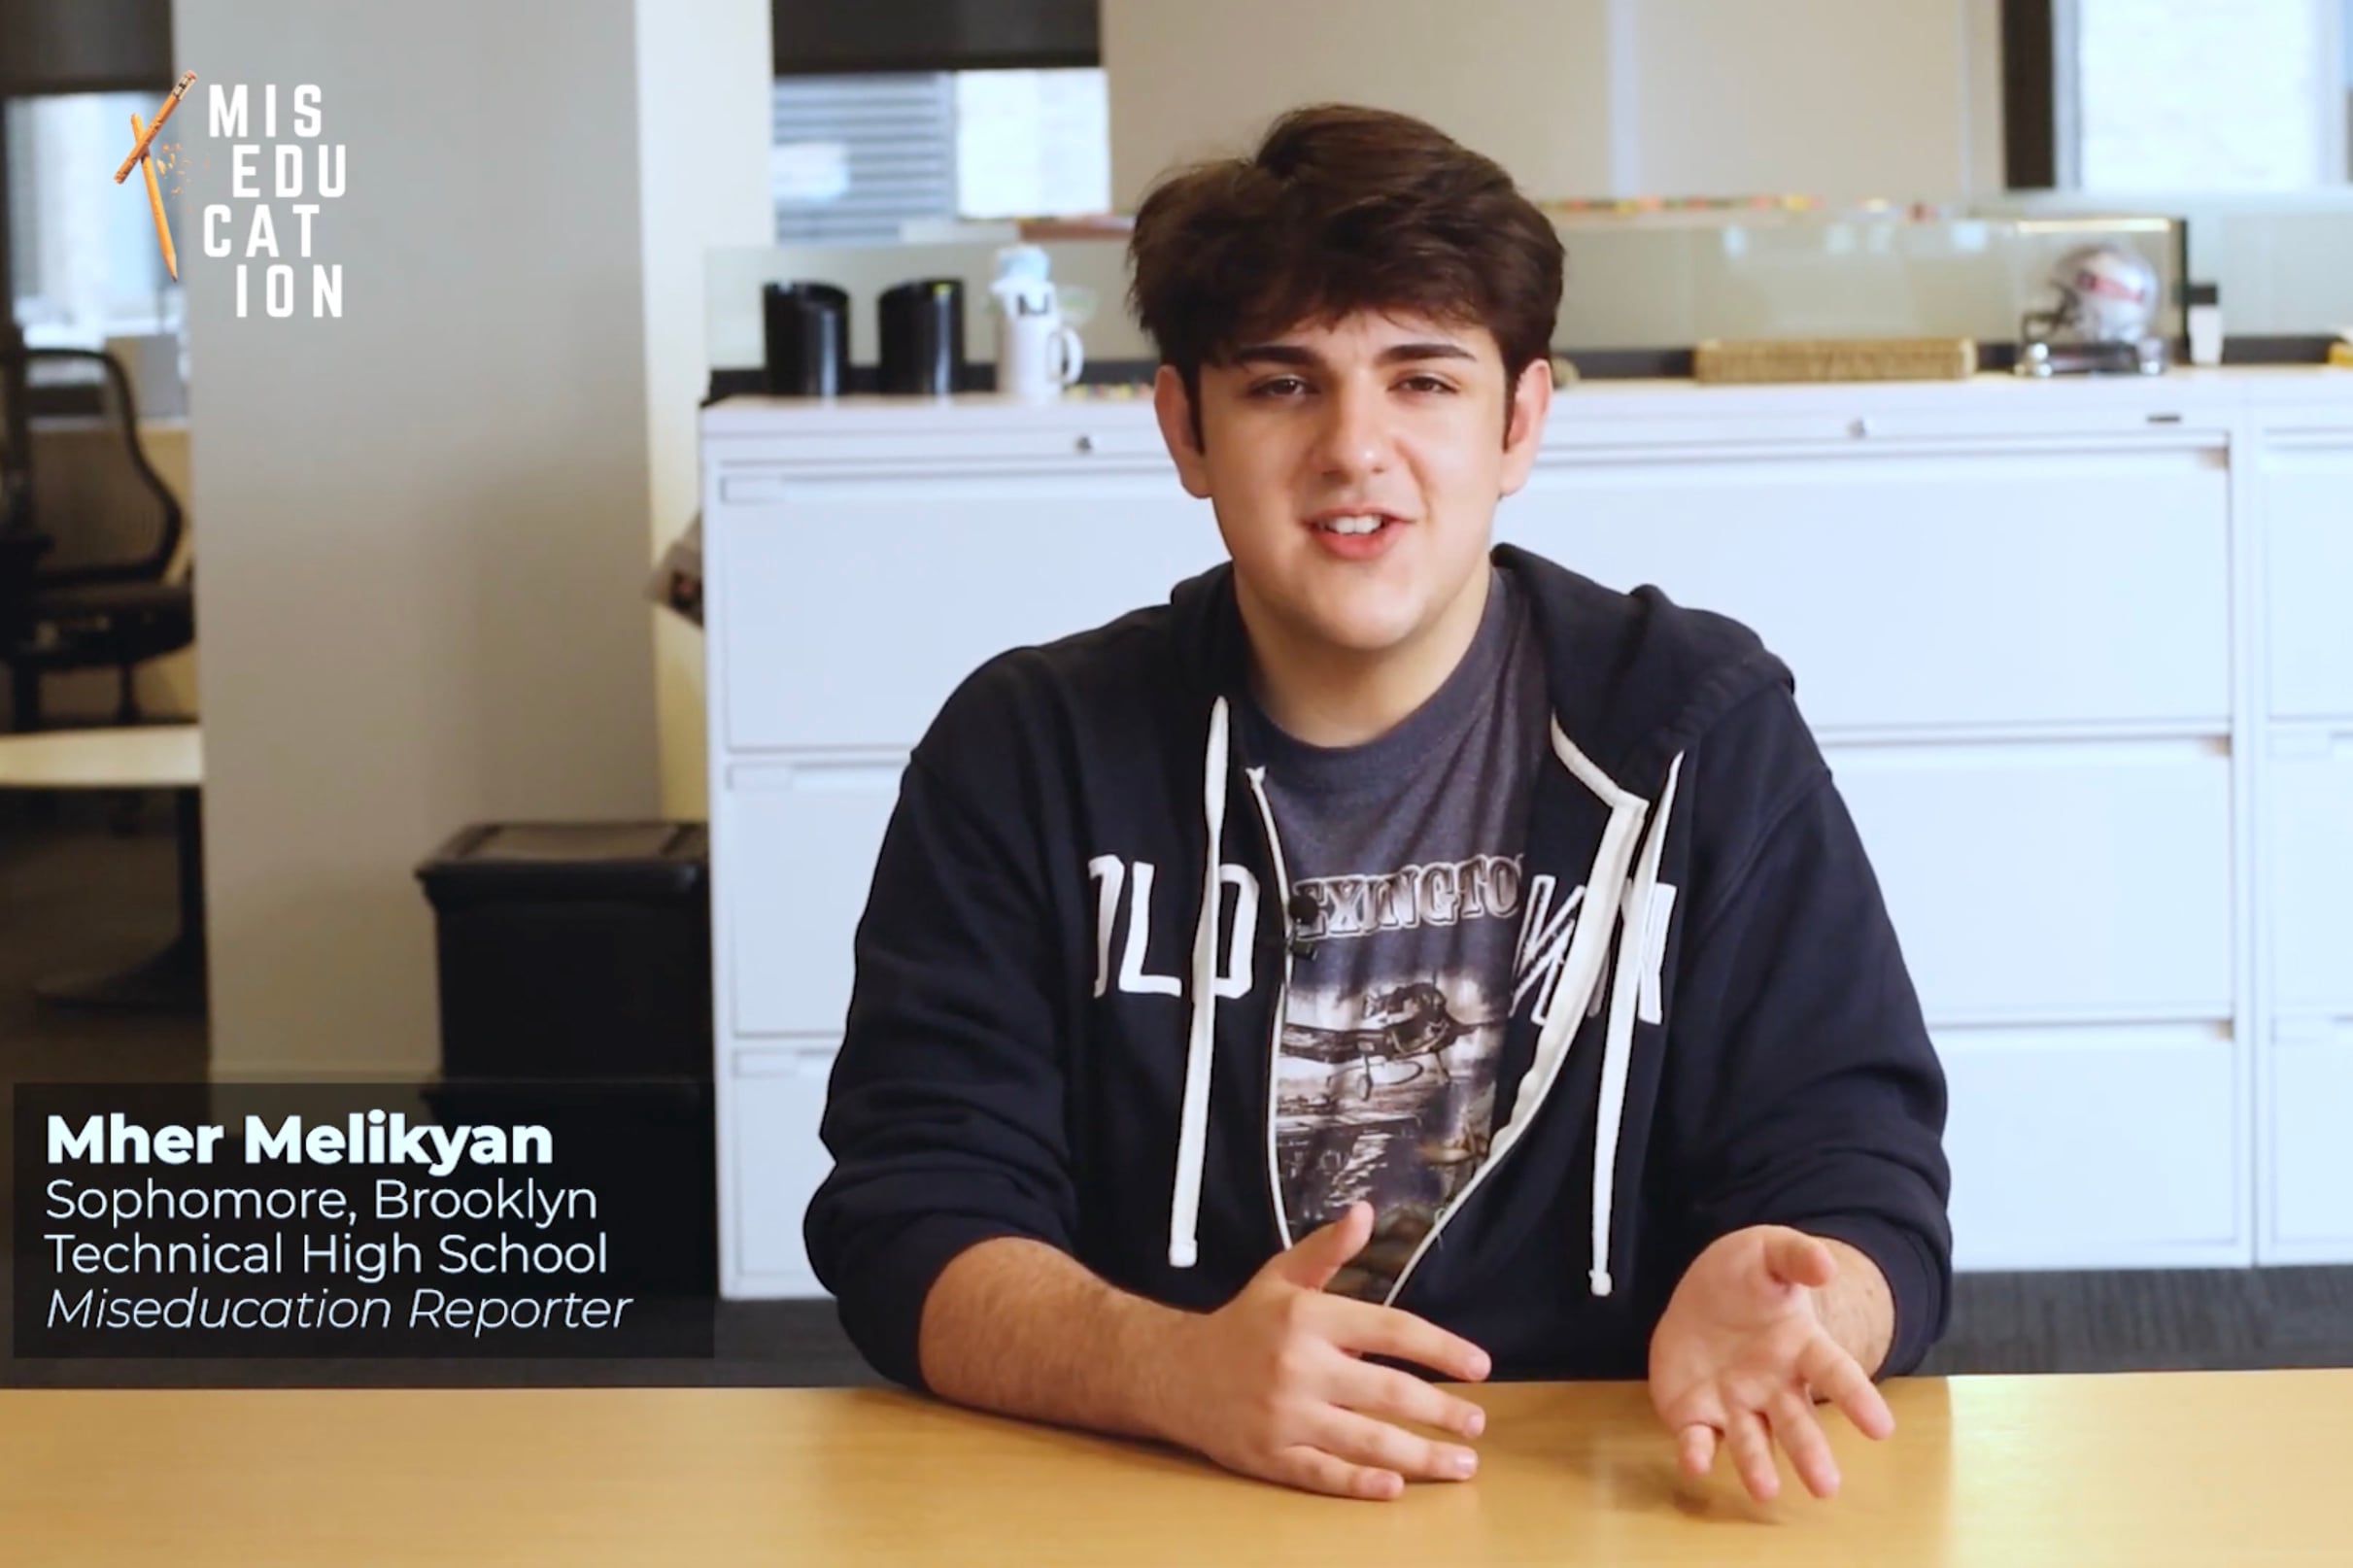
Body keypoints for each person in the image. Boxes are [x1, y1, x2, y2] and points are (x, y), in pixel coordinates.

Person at [805, 102, 1951, 1506]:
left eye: (1422, 381)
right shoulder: (1029, 750)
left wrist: (1806, 1295)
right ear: (1185, 429)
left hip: (1597, 1497)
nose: (1355, 449)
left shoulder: (1697, 730)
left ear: (1519, 419)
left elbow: (1863, 1172)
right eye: (1284, 385)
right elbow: (910, 1214)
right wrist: (1171, 1369)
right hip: (1158, 1499)